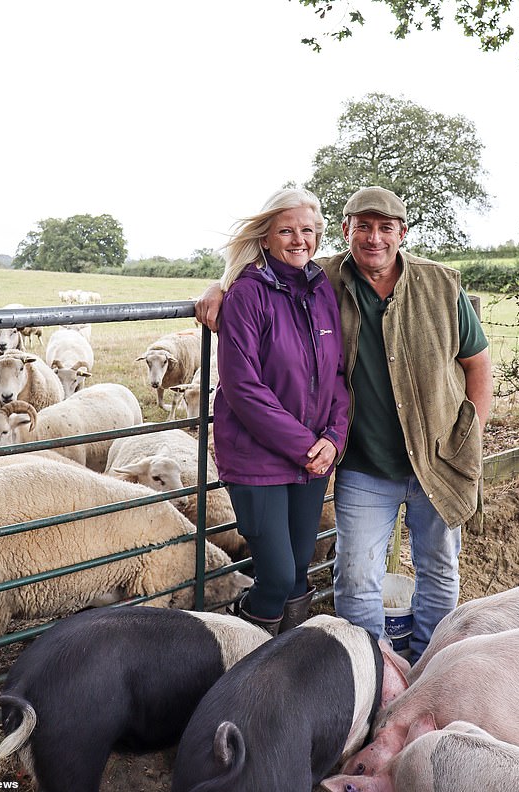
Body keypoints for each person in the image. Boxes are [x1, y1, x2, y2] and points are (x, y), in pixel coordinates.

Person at [196, 186, 493, 661]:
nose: (374, 238)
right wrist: (220, 287)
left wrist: (469, 437)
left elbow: (476, 364)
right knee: (352, 575)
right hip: (360, 465)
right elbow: (264, 282)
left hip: (434, 460)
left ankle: (428, 667)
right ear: (346, 230)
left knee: (437, 568)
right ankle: (367, 672)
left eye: (386, 227)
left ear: (403, 232)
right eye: (364, 226)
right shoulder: (326, 279)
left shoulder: (436, 285)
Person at [212, 187, 349, 636]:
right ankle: (239, 649)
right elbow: (242, 387)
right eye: (286, 230)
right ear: (265, 238)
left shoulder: (321, 288)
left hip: (312, 459)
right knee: (274, 575)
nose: (298, 239)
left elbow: (339, 376)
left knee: (297, 571)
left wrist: (333, 437)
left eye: (307, 230)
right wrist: (306, 444)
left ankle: (284, 669)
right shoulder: (247, 295)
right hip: (258, 459)